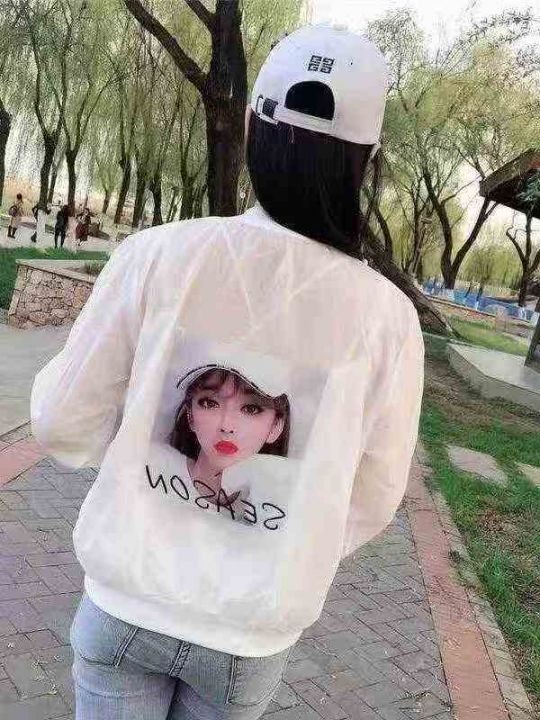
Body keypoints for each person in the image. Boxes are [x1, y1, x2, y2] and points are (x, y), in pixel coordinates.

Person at [31, 24, 424, 720]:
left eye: (252, 408)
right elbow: (371, 497)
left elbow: (63, 421)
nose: (228, 422)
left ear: (249, 128)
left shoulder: (159, 256)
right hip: (252, 632)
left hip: (127, 601)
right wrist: (286, 542)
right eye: (211, 401)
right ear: (367, 161)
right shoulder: (387, 318)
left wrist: (128, 461)